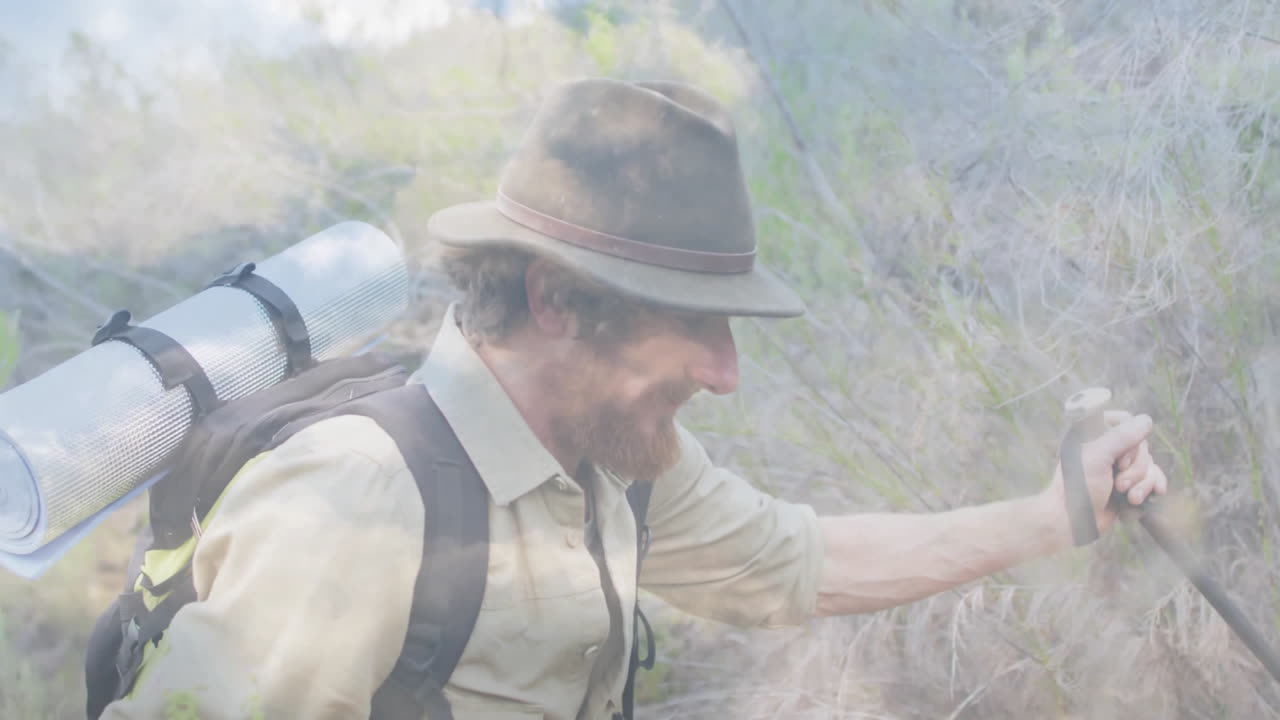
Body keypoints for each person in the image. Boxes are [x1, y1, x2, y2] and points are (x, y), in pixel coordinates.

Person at [100, 77, 1167, 720]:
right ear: (554, 300)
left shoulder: (612, 459)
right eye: (693, 325)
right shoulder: (356, 501)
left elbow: (802, 562)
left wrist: (1052, 516)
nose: (724, 372)